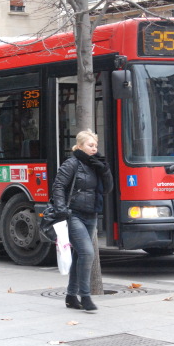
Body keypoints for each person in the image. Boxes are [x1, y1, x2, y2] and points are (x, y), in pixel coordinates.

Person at [52, 129, 113, 313]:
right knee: (87, 253)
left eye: (95, 145)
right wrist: (62, 211)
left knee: (80, 255)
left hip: (91, 214)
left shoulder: (97, 164)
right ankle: (85, 296)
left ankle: (71, 296)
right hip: (74, 214)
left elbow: (108, 189)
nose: (94, 149)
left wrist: (105, 170)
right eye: (90, 145)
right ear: (79, 146)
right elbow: (58, 186)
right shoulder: (72, 164)